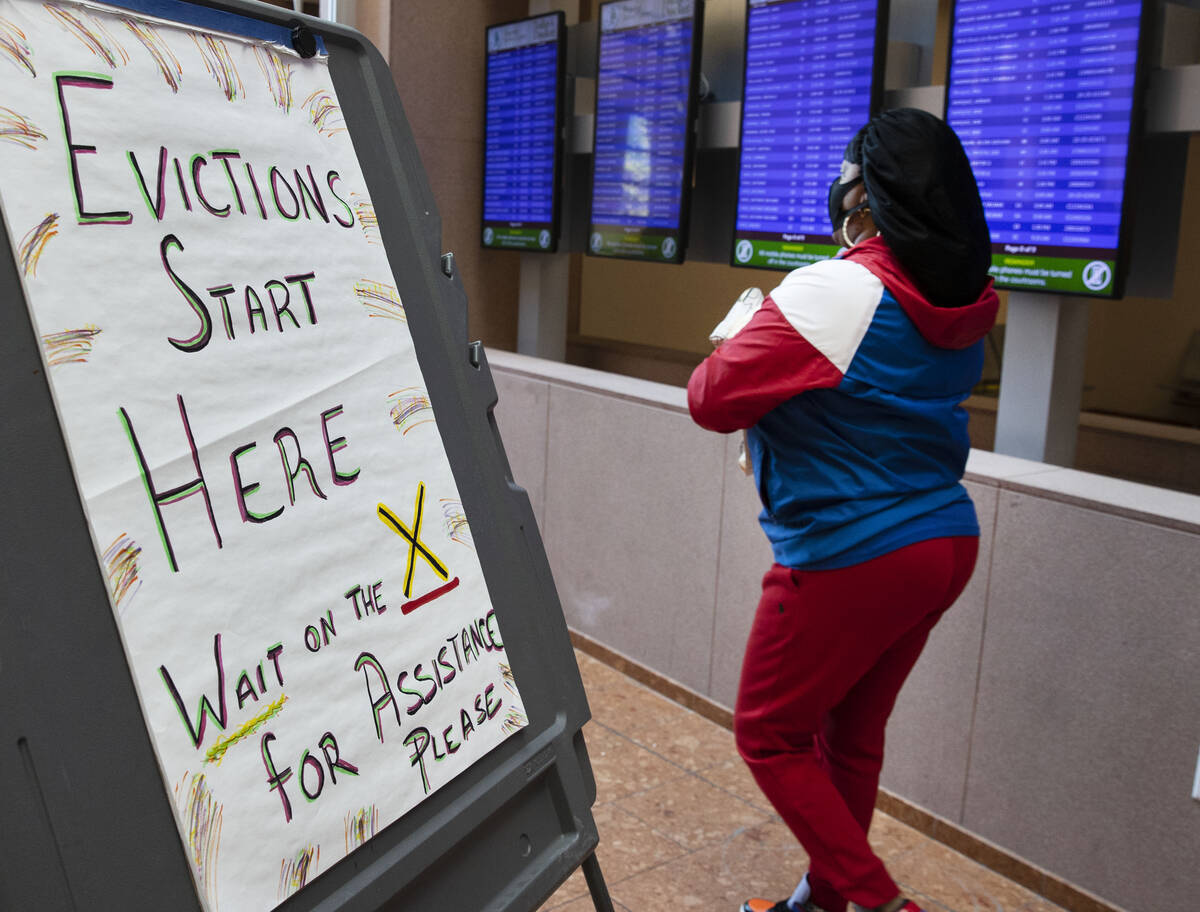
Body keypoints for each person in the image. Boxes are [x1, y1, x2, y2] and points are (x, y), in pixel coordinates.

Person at [687, 108, 998, 912]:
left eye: (847, 180)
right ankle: (824, 904)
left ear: (870, 197)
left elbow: (711, 398)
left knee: (768, 734)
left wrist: (751, 326)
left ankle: (881, 904)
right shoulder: (965, 304)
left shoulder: (837, 291)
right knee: (850, 739)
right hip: (943, 543)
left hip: (851, 552)